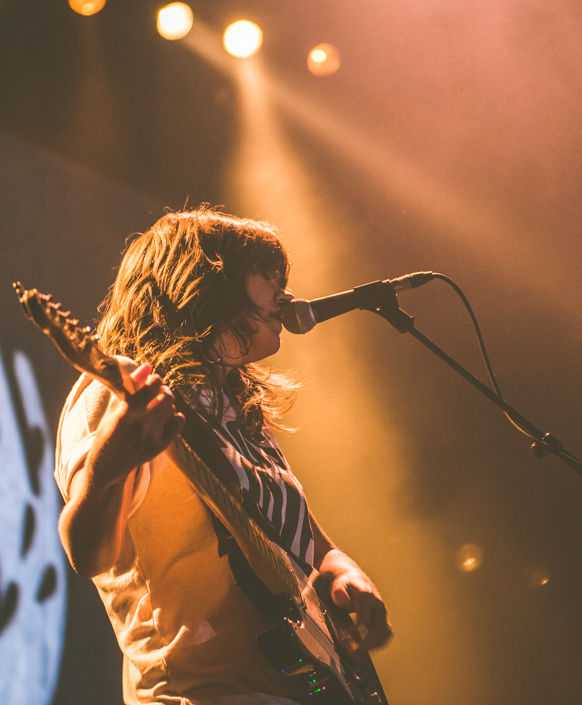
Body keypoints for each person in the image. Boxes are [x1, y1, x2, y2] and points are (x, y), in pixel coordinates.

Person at [54, 206, 392, 705]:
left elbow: (311, 546)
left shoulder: (229, 407)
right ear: (205, 281)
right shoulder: (121, 392)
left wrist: (345, 570)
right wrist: (110, 458)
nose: (286, 294)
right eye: (266, 276)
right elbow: (87, 552)